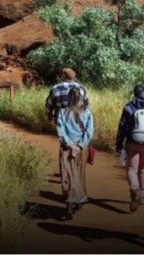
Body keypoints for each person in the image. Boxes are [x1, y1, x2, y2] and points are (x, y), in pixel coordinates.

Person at [115, 84, 144, 213]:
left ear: (135, 93)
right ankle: (143, 197)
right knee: (143, 168)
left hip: (132, 142)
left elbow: (122, 127)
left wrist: (119, 144)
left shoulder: (128, 107)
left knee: (132, 168)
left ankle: (134, 189)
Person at [54, 86, 94, 219]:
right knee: (80, 172)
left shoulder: (62, 112)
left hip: (67, 147)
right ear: (81, 97)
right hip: (82, 148)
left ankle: (70, 202)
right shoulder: (86, 112)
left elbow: (60, 130)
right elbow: (89, 131)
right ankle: (78, 199)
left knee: (68, 174)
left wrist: (70, 145)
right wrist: (80, 146)